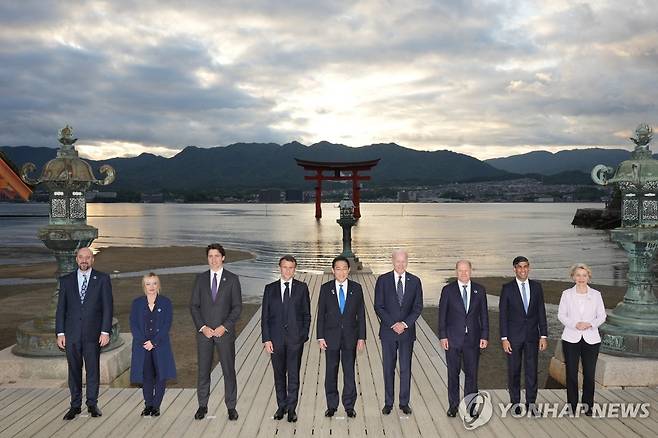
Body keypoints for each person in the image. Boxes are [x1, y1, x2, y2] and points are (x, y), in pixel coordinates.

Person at [56, 247, 113, 420]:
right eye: (81, 257)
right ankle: (75, 406)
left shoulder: (102, 279)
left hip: (93, 334)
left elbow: (108, 308)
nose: (84, 260)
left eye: (88, 257)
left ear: (92, 260)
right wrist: (60, 333)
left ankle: (92, 404)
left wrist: (105, 331)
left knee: (92, 370)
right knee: (74, 370)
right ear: (76, 259)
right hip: (71, 334)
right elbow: (61, 310)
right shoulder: (66, 281)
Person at [190, 243, 242, 421]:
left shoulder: (233, 279)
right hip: (204, 334)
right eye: (210, 256)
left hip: (224, 334)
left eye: (217, 256)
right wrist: (203, 327)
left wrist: (224, 326)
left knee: (229, 371)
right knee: (203, 371)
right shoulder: (200, 279)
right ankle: (202, 406)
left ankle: (231, 407)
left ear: (223, 257)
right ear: (207, 258)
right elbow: (194, 306)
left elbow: (237, 308)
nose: (213, 259)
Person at [261, 255, 311, 423]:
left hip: (295, 340)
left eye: (291, 267)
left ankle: (291, 408)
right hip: (275, 340)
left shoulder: (302, 288)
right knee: (279, 374)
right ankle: (281, 406)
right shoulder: (270, 288)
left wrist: (303, 335)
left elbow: (306, 315)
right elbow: (265, 316)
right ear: (280, 268)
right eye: (285, 267)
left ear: (294, 269)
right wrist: (266, 339)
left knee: (294, 375)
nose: (288, 270)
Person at [374, 249, 423, 415]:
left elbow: (417, 308)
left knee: (405, 368)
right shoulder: (383, 280)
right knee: (388, 368)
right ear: (392, 261)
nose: (400, 264)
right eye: (398, 261)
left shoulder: (415, 281)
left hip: (407, 333)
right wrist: (393, 323)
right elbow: (378, 306)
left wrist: (404, 324)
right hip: (388, 332)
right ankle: (388, 402)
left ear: (407, 261)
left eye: (403, 261)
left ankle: (404, 402)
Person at [317, 256, 366, 418]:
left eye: (345, 268)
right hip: (330, 337)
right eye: (338, 268)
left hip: (350, 337)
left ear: (349, 270)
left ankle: (349, 405)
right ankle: (331, 405)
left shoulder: (357, 288)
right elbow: (321, 315)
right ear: (333, 271)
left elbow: (361, 315)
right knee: (331, 371)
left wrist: (361, 338)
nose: (342, 272)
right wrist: (320, 336)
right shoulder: (325, 289)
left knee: (349, 372)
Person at [438, 260, 489, 417]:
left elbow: (484, 315)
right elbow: (442, 316)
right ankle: (453, 406)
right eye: (460, 270)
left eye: (466, 270)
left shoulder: (479, 290)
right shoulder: (448, 290)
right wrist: (443, 336)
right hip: (452, 339)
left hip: (473, 340)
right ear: (456, 272)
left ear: (471, 271)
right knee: (453, 374)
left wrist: (485, 335)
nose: (463, 273)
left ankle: (470, 407)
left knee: (471, 375)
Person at [499, 256, 548, 414]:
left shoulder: (536, 287)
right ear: (514, 269)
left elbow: (541, 311)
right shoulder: (507, 288)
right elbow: (503, 315)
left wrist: (544, 335)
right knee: (514, 371)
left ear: (529, 268)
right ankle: (515, 404)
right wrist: (504, 338)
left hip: (532, 336)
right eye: (519, 267)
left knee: (532, 370)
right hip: (513, 337)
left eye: (525, 266)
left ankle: (531, 404)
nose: (523, 270)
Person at [558, 263, 606, 416]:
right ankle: (572, 406)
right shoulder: (566, 294)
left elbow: (602, 316)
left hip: (591, 339)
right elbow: (561, 315)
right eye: (578, 275)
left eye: (584, 275)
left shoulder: (596, 295)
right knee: (571, 373)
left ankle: (588, 406)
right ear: (573, 277)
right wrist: (575, 324)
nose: (581, 278)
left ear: (588, 277)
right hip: (571, 338)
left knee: (589, 374)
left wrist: (590, 324)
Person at [129, 273, 177, 417]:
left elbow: (166, 325)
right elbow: (133, 324)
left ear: (158, 285)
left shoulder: (166, 302)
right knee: (146, 376)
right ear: (144, 286)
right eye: (148, 283)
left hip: (160, 345)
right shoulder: (137, 303)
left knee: (160, 376)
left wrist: (154, 342)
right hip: (142, 346)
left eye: (154, 283)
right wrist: (144, 342)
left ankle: (156, 406)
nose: (151, 287)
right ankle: (148, 405)